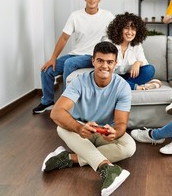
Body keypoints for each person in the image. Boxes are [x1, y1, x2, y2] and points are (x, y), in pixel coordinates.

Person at [41, 42, 136, 196]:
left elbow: (121, 124)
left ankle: (69, 158)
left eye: (109, 62)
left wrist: (115, 132)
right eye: (100, 61)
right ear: (93, 61)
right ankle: (107, 168)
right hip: (82, 130)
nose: (104, 66)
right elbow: (56, 112)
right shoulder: (79, 81)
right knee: (61, 127)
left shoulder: (122, 86)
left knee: (129, 147)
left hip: (105, 131)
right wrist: (79, 128)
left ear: (115, 64)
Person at [32, 0, 115, 114]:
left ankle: (66, 104)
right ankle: (47, 101)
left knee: (69, 63)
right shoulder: (76, 15)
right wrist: (52, 59)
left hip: (92, 56)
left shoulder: (107, 16)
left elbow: (117, 34)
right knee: (47, 70)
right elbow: (64, 38)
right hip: (75, 54)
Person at [106, 12, 161, 90]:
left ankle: (121, 86)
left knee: (149, 70)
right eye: (126, 28)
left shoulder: (136, 45)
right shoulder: (109, 44)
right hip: (112, 76)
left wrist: (138, 63)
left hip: (128, 77)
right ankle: (136, 87)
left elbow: (144, 62)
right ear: (119, 29)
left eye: (133, 29)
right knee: (108, 77)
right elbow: (106, 69)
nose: (130, 32)